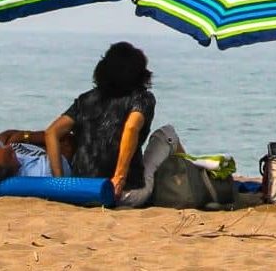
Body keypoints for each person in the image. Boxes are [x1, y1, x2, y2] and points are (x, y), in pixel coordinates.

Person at [45, 41, 182, 207]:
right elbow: (131, 127)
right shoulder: (142, 98)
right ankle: (188, 182)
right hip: (124, 193)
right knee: (168, 133)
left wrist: (60, 183)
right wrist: (119, 177)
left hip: (82, 192)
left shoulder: (86, 99)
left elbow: (51, 132)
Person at [0, 128, 75, 187]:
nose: (9, 147)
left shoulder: (1, 157)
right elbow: (67, 145)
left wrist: (25, 136)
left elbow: (6, 134)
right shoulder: (42, 171)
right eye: (10, 154)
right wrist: (26, 137)